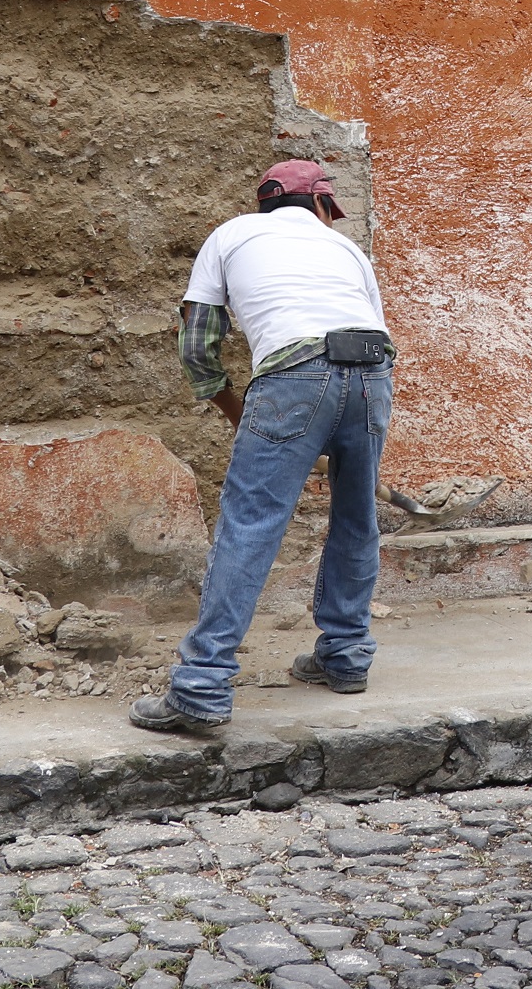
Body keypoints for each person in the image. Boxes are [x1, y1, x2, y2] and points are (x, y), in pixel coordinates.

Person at [131, 159, 394, 735]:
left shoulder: (230, 235)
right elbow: (369, 336)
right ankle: (346, 656)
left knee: (250, 524)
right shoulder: (346, 251)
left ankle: (201, 686)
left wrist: (238, 413)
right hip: (373, 374)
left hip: (293, 376)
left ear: (265, 204)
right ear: (323, 205)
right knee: (357, 519)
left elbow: (197, 346)